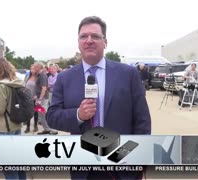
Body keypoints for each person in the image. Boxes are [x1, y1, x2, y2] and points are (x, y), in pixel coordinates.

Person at [46, 16, 151, 179]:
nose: (89, 40)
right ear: (78, 42)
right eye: (84, 36)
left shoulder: (128, 74)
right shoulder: (64, 78)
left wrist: (138, 159)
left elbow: (142, 120)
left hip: (122, 165)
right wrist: (78, 115)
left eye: (95, 36)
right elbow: (52, 117)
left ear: (105, 42)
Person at [31, 62, 57, 135]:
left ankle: (50, 129)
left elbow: (44, 88)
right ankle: (46, 128)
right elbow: (39, 88)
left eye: (34, 67)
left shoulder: (42, 75)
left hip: (42, 99)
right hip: (39, 98)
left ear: (38, 67)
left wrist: (40, 99)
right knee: (41, 114)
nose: (33, 68)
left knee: (43, 114)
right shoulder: (39, 75)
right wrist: (36, 96)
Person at [23, 63, 40, 133]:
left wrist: (36, 96)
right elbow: (24, 86)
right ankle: (28, 127)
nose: (32, 70)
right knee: (28, 113)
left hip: (35, 98)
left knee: (35, 113)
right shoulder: (27, 77)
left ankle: (35, 126)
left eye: (33, 69)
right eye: (31, 69)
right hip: (27, 98)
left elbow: (40, 88)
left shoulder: (38, 78)